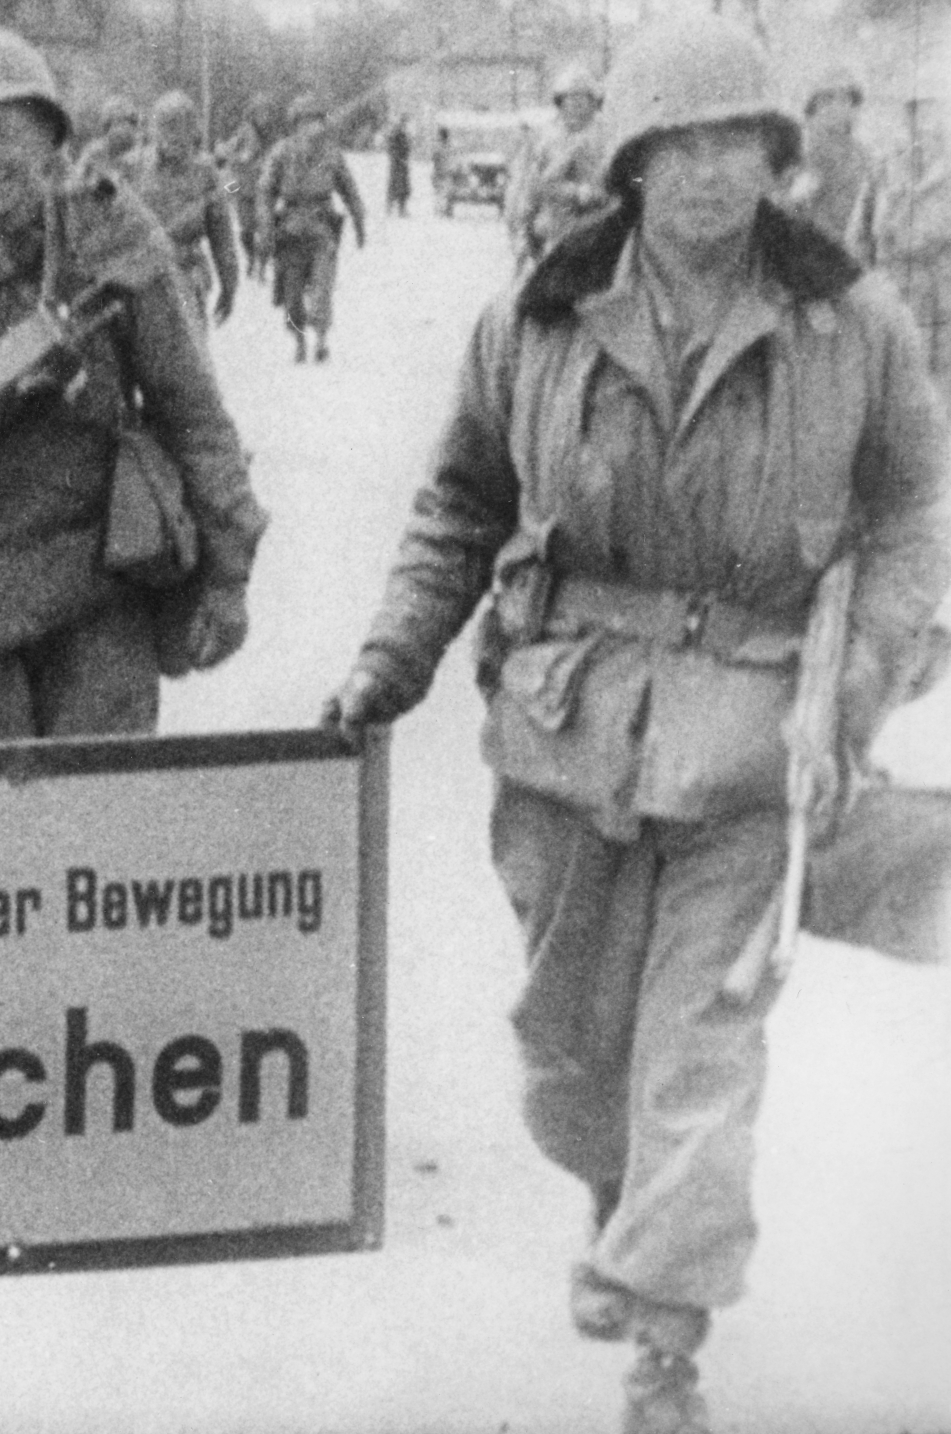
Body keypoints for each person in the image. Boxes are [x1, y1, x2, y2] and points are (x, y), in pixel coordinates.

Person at [321, 16, 949, 1434]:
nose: (716, 174)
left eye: (743, 143)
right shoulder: (536, 321)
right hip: (567, 728)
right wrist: (388, 661)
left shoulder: (852, 324)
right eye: (686, 146)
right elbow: (458, 506)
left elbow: (912, 513)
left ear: (776, 160)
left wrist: (854, 691)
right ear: (633, 164)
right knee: (573, 1049)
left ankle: (666, 1350)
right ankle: (621, 1197)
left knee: (701, 1043)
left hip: (752, 736)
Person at [0, 25, 265, 746]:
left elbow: (195, 418)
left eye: (6, 132)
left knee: (100, 833)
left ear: (49, 137)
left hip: (94, 593)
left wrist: (228, 574)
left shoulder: (114, 251)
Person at [854, 88, 951, 404]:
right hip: (892, 298)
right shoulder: (885, 168)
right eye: (915, 112)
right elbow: (859, 235)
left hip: (942, 307)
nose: (925, 123)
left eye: (932, 111)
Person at [256, 92, 366, 364]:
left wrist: (360, 221)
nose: (313, 126)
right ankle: (299, 341)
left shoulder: (332, 154)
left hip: (322, 229)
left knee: (322, 290)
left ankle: (321, 340)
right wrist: (266, 227)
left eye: (317, 119)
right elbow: (265, 191)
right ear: (295, 124)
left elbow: (350, 190)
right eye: (307, 120)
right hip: (290, 233)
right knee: (291, 298)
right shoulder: (281, 153)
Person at [128, 90, 238, 335]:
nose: (175, 136)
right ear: (154, 131)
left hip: (187, 272)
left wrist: (229, 286)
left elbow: (222, 236)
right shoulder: (133, 167)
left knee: (191, 345)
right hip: (141, 279)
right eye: (168, 127)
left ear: (193, 132)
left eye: (183, 128)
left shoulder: (205, 171)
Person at [507, 62, 609, 264]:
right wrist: (521, 234)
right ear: (560, 101)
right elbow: (531, 189)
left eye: (584, 98)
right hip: (556, 227)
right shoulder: (546, 140)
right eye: (571, 97)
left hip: (601, 225)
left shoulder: (606, 135)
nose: (577, 104)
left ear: (594, 102)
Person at [786, 66, 874, 248]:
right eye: (827, 100)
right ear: (814, 107)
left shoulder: (862, 155)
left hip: (850, 251)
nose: (835, 107)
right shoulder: (804, 149)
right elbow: (792, 206)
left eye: (844, 100)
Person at [219, 92, 279, 276]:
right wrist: (240, 158)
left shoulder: (274, 135)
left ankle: (261, 263)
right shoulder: (244, 133)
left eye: (266, 113)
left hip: (266, 190)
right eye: (260, 113)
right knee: (245, 231)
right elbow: (226, 152)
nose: (264, 117)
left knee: (266, 230)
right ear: (253, 114)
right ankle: (251, 258)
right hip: (243, 187)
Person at [75, 93, 140, 183]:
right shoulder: (93, 152)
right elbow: (78, 179)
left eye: (129, 124)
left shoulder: (138, 155)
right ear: (107, 127)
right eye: (118, 123)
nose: (124, 129)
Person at [384, 114, 413, 217]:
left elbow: (406, 148)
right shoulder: (397, 134)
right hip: (397, 164)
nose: (405, 126)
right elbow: (392, 148)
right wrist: (399, 159)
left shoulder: (402, 134)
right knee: (396, 187)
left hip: (402, 164)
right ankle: (391, 208)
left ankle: (401, 209)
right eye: (404, 123)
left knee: (402, 188)